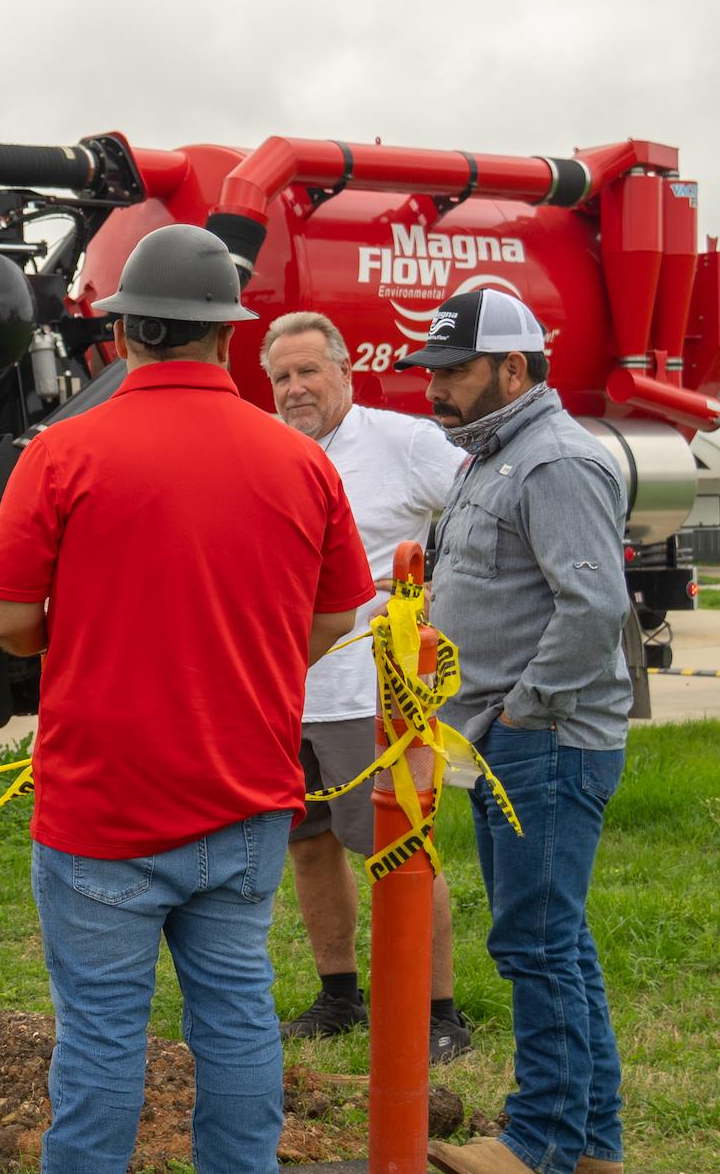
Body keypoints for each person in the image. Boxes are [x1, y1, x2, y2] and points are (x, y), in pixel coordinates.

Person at [0, 225, 375, 1174]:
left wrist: (72, 638)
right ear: (227, 338)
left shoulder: (62, 453)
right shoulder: (302, 462)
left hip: (104, 805)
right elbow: (333, 615)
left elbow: (1, 616)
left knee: (104, 1037)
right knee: (237, 1018)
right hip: (246, 800)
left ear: (123, 334)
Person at [400, 289, 630, 1174]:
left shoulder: (553, 462)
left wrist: (520, 712)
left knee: (536, 941)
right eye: (433, 371)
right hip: (508, 743)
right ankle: (593, 1146)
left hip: (546, 741)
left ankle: (540, 1142)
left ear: (515, 369)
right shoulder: (489, 459)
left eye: (454, 371)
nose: (437, 387)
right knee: (556, 938)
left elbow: (594, 607)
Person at [261, 311, 474, 1062]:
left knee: (400, 851)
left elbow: (482, 511)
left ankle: (439, 1011)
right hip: (286, 694)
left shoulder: (403, 442)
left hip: (372, 697)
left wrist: (443, 597)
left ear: (346, 371)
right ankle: (339, 995)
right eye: (281, 376)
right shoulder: (266, 452)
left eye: (308, 371)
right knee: (309, 848)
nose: (294, 389)